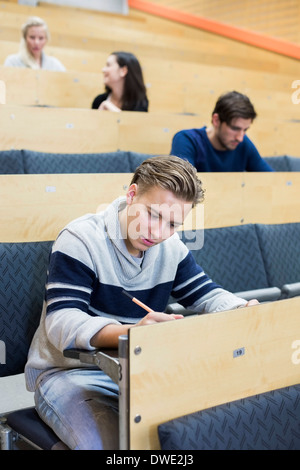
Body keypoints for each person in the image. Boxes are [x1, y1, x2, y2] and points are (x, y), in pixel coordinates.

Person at [25, 155, 258, 450]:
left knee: (195, 431)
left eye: (173, 224)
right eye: (153, 215)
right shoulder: (80, 239)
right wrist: (132, 332)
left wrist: (244, 310)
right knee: (113, 448)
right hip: (69, 374)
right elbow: (62, 323)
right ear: (132, 194)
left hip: (139, 370)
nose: (158, 233)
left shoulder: (170, 248)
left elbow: (208, 295)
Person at [171, 91, 273, 172]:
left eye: (245, 130)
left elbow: (272, 179)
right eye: (235, 128)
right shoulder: (187, 140)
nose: (240, 138)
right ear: (216, 120)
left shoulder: (243, 143)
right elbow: (180, 188)